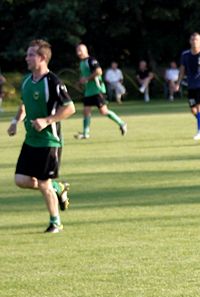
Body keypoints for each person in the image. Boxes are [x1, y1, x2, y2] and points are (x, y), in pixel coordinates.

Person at [8, 40, 75, 233]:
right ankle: (57, 188)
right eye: (27, 54)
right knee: (21, 180)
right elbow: (24, 105)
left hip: (49, 141)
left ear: (42, 57)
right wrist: (15, 121)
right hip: (31, 140)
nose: (26, 58)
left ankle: (56, 222)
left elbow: (69, 108)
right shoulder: (26, 81)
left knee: (43, 183)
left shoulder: (53, 82)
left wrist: (47, 120)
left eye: (31, 54)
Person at [74, 44, 127, 139]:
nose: (78, 53)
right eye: (77, 51)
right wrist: (79, 82)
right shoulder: (82, 63)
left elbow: (99, 71)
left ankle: (122, 123)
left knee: (103, 111)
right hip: (88, 91)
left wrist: (87, 79)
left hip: (97, 90)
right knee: (86, 111)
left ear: (85, 50)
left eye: (80, 50)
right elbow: (85, 76)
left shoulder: (91, 60)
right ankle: (86, 133)